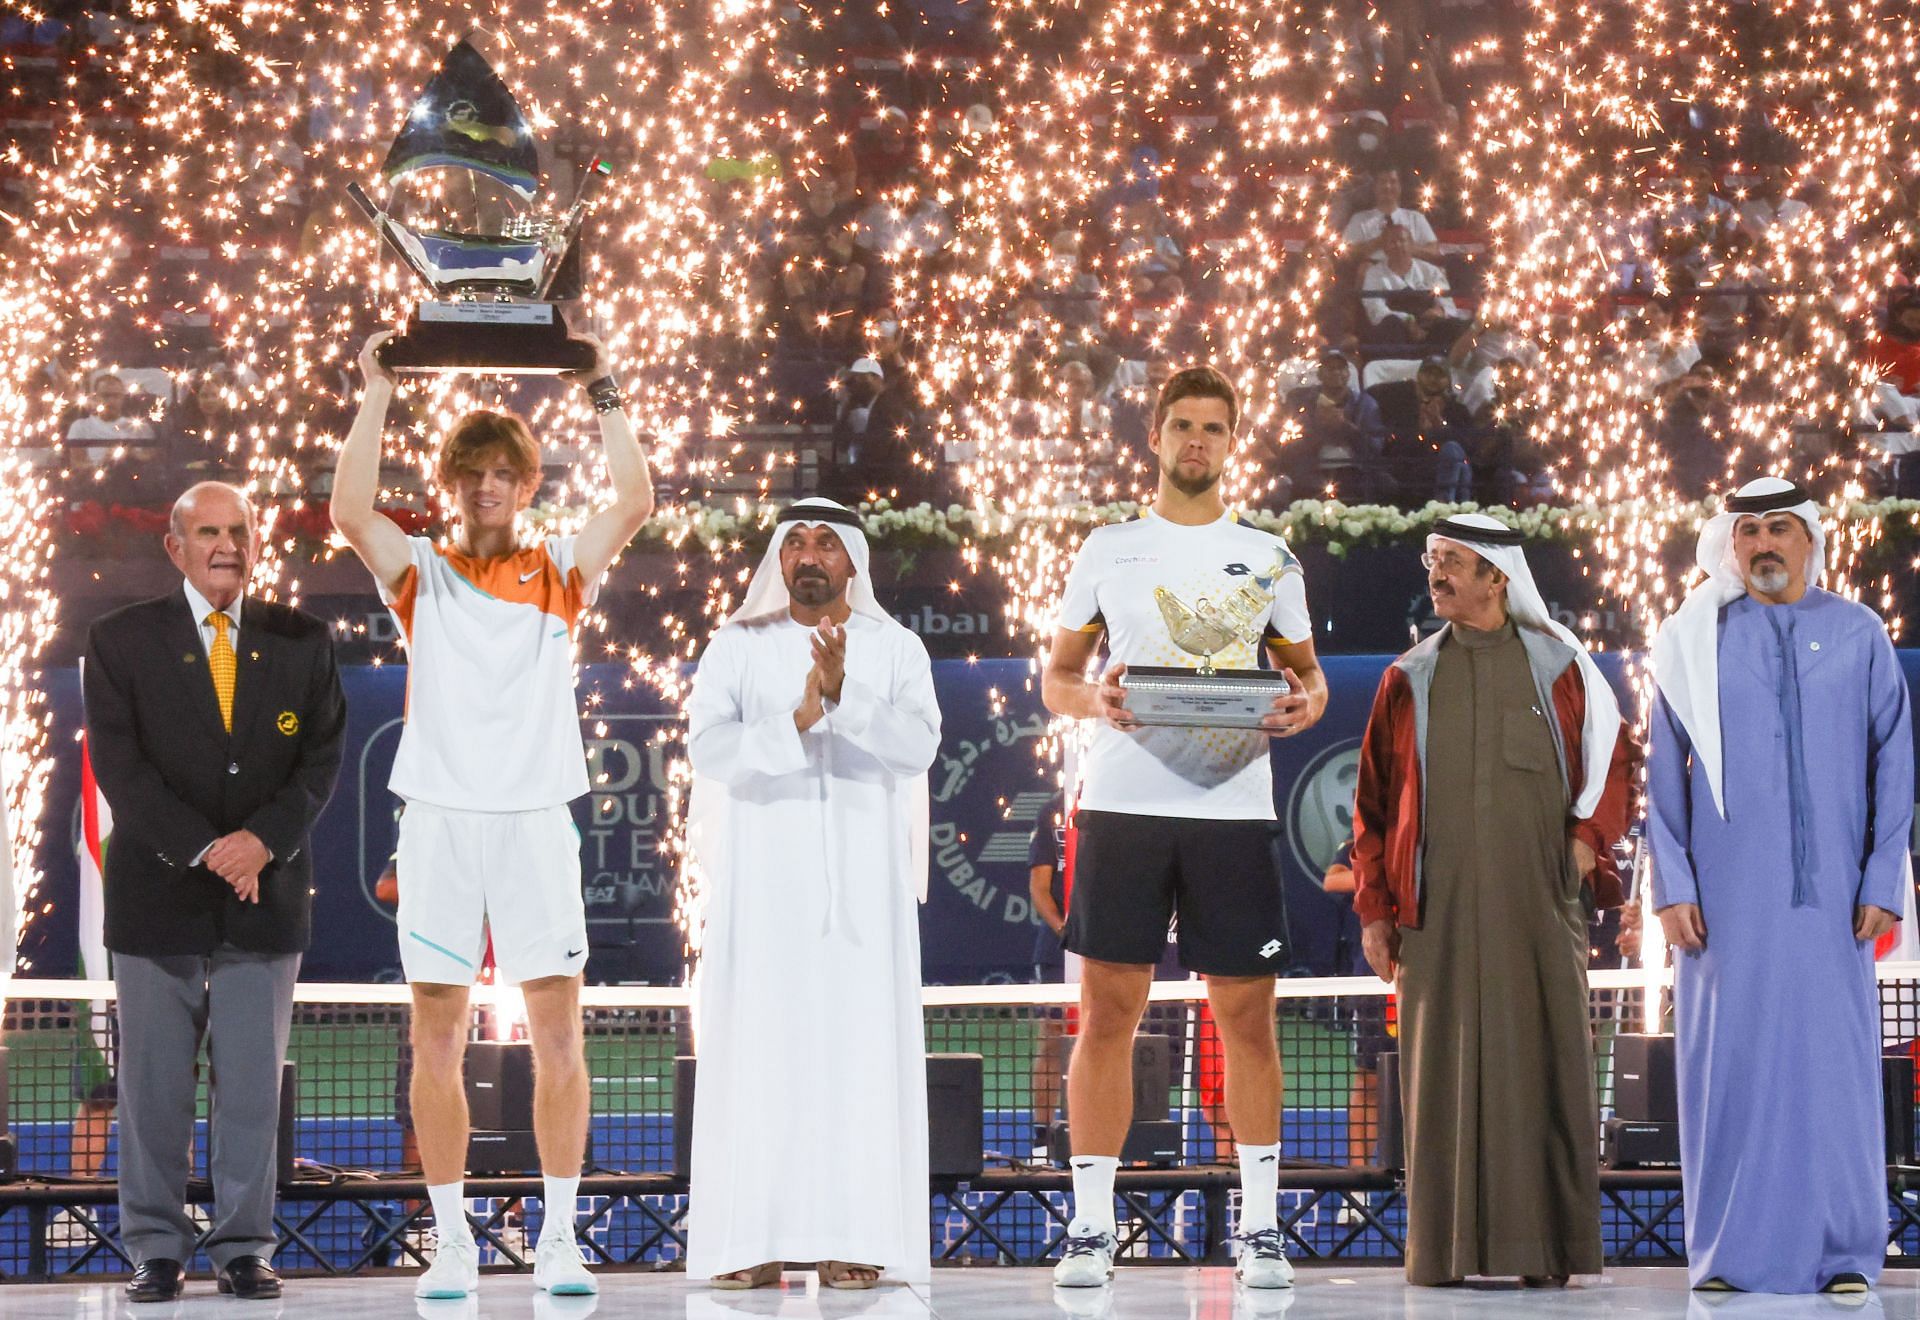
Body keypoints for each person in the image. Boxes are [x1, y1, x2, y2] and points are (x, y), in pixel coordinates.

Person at [330, 330, 654, 1298]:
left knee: (561, 1040)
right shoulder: (418, 574)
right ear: (450, 486)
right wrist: (377, 390)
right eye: (469, 475)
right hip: (437, 823)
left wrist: (600, 388)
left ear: (526, 484)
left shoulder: (561, 568)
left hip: (531, 825)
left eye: (502, 474)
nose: (485, 490)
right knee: (438, 1038)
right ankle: (452, 1241)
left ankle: (560, 1236)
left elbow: (635, 500)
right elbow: (351, 508)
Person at [1041, 365, 1329, 1291]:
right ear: (1155, 440)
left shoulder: (1271, 555)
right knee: (1109, 1016)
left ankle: (1261, 1232)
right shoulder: (1108, 548)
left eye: (1214, 427)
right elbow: (1057, 681)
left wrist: (1307, 706)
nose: (1197, 441)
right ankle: (1090, 1229)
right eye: (1182, 426)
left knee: (1247, 1020)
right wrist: (1097, 701)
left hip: (1232, 808)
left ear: (1231, 442)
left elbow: (1310, 682)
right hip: (1122, 806)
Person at [1646, 476, 1913, 1295]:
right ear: (1732, 544)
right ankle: (1729, 1254)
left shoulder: (1860, 633)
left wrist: (1881, 879)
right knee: (1733, 1070)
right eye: (1750, 530)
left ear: (1810, 540)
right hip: (1723, 905)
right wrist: (1672, 885)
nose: (1763, 544)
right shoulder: (1693, 641)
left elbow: (1894, 768)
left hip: (1836, 902)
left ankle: (1845, 1252)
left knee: (1833, 1073)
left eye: (1780, 529)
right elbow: (1662, 778)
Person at [1350, 513, 1632, 1287]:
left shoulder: (1561, 667)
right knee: (1439, 1075)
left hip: (1541, 909)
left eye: (1454, 562)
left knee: (1548, 1064)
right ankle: (1444, 1255)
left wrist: (1583, 844)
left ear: (1497, 578)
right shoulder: (1408, 678)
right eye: (1433, 560)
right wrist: (1376, 909)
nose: (1437, 575)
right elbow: (1371, 806)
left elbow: (1615, 766)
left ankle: (1548, 1252)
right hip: (1433, 918)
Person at [82, 481, 346, 1302]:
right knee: (153, 1090)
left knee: (250, 1091)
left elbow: (321, 763)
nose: (225, 544)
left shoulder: (304, 640)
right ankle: (155, 1249)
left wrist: (262, 842)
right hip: (157, 902)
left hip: (264, 902)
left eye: (238, 530)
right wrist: (207, 848)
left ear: (255, 541)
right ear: (176, 547)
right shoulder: (120, 640)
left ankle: (243, 1248)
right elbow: (122, 770)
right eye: (208, 532)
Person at [684, 498, 941, 1291]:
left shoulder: (895, 648)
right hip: (761, 895)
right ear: (777, 558)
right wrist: (798, 715)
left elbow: (918, 747)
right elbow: (709, 750)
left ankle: (853, 1238)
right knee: (758, 1057)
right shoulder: (736, 646)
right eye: (795, 541)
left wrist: (844, 696)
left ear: (852, 562)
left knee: (859, 1060)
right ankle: (750, 1243)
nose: (810, 554)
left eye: (827, 543)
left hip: (865, 897)